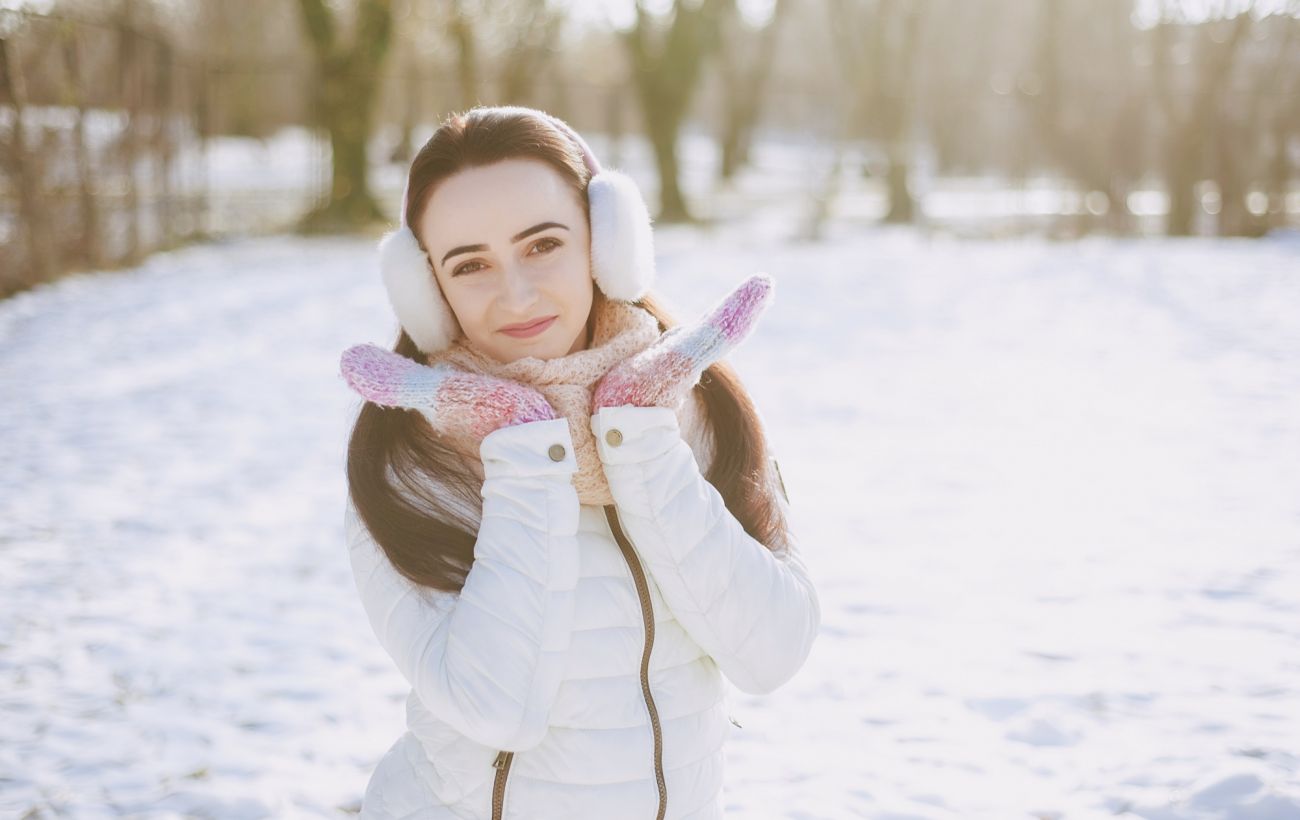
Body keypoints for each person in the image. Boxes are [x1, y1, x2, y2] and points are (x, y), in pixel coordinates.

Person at [338, 105, 820, 820]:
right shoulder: (409, 462)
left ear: (607, 241)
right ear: (427, 290)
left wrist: (641, 440)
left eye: (542, 245)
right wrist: (522, 448)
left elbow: (772, 653)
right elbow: (495, 707)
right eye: (470, 264)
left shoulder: (690, 406)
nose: (516, 295)